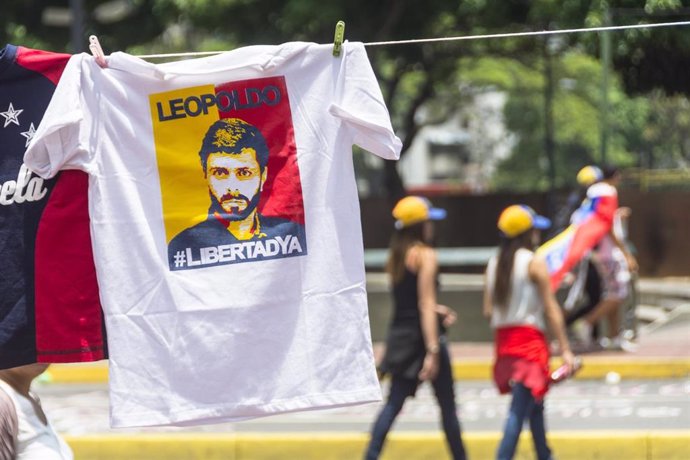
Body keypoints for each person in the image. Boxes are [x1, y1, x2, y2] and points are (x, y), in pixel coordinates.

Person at [364, 196, 466, 460]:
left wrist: (436, 310)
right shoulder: (426, 255)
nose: (432, 226)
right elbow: (424, 303)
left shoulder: (397, 255)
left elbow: (409, 302)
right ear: (420, 225)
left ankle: (370, 455)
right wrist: (433, 349)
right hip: (423, 339)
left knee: (393, 405)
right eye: (429, 221)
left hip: (402, 337)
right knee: (448, 409)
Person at [483, 205, 575, 460]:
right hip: (529, 342)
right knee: (518, 410)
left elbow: (488, 311)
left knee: (534, 404)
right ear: (526, 233)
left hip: (504, 342)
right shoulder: (533, 262)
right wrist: (566, 349)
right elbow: (551, 308)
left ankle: (545, 455)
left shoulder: (493, 264)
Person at [167, 117, 307, 268]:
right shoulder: (182, 245)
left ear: (263, 177)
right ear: (206, 175)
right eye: (220, 173)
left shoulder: (295, 234)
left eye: (244, 173)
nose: (233, 188)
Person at [570, 166, 638, 350]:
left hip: (599, 255)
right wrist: (626, 254)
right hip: (609, 255)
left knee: (613, 293)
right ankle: (586, 323)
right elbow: (607, 226)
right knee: (619, 294)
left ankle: (614, 336)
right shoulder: (606, 192)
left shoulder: (589, 199)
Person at [0, 363, 73, 459]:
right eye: (23, 347)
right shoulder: (3, 401)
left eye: (48, 346)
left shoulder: (30, 397)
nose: (34, 351)